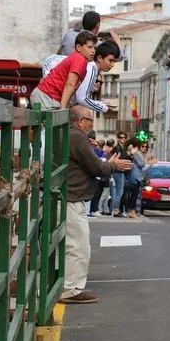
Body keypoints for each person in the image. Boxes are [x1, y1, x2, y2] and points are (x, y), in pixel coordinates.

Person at [61, 106, 132, 304]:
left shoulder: (70, 134)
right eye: (89, 119)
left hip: (69, 196)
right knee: (78, 246)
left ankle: (66, 286)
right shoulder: (78, 138)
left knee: (71, 244)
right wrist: (113, 165)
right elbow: (95, 166)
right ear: (78, 120)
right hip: (73, 199)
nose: (92, 124)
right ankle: (70, 289)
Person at [31, 30, 96, 110]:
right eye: (89, 47)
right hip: (46, 96)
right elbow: (70, 85)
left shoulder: (83, 64)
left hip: (48, 97)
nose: (93, 51)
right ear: (78, 47)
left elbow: (72, 88)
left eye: (94, 47)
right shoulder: (79, 59)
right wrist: (63, 108)